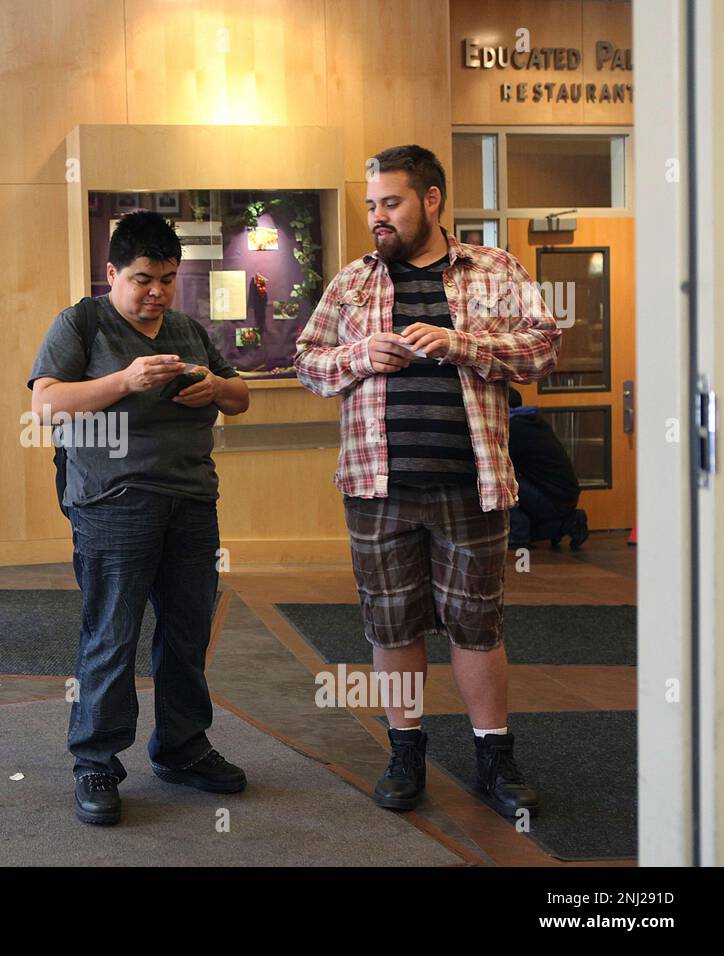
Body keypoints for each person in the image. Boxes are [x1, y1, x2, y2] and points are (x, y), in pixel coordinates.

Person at [294, 145, 560, 820]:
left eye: (392, 203)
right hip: (376, 485)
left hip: (472, 483)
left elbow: (544, 347)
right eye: (372, 205)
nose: (378, 217)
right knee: (393, 625)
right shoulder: (352, 284)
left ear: (432, 200)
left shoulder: (493, 269)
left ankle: (493, 757)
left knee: (478, 626)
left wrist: (460, 343)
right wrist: (359, 354)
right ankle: (405, 752)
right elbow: (306, 361)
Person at [28, 211, 251, 825]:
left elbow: (240, 396)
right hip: (111, 503)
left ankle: (182, 748)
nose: (156, 292)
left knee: (186, 633)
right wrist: (124, 380)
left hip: (190, 502)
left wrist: (214, 387)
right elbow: (46, 404)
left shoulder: (186, 328)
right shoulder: (81, 323)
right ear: (111, 274)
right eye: (142, 279)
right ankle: (96, 760)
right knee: (113, 633)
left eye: (168, 279)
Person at [507, 388, 589, 550]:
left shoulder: (516, 428)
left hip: (554, 498)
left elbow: (500, 465)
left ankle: (518, 535)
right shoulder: (529, 421)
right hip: (561, 495)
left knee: (501, 484)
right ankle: (567, 523)